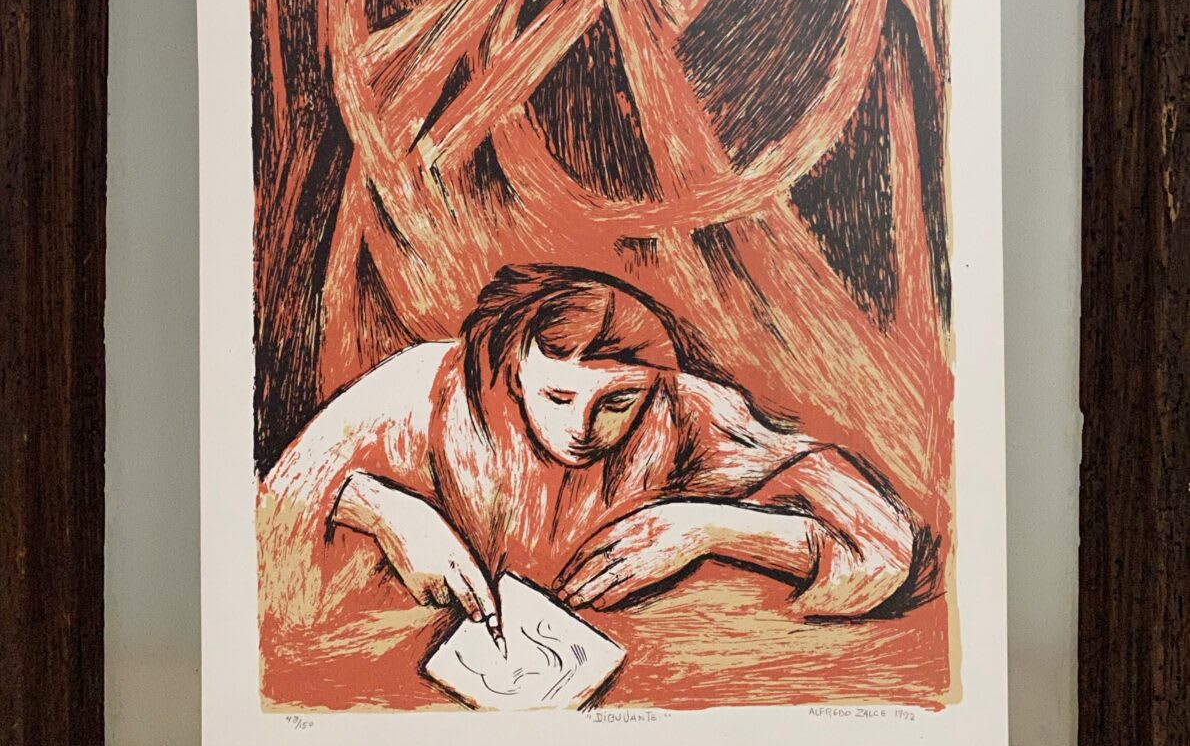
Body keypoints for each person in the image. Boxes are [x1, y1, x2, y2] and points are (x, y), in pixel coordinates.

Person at [258, 264, 936, 656]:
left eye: (617, 402)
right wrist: (382, 508)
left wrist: (704, 527)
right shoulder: (425, 384)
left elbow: (878, 542)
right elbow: (273, 510)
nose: (581, 429)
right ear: (513, 370)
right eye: (556, 396)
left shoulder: (680, 408)